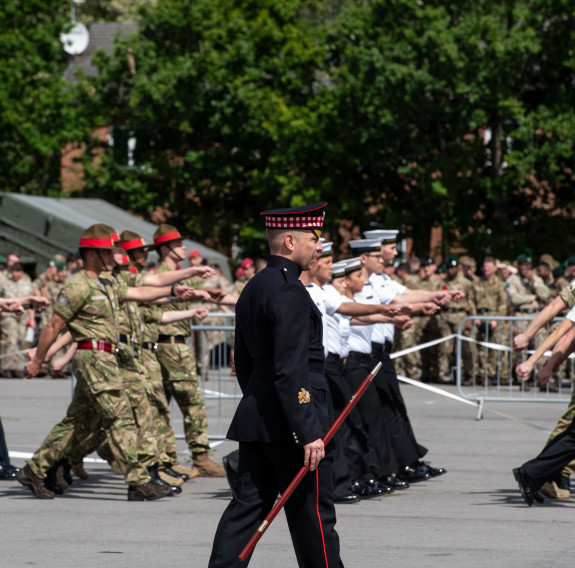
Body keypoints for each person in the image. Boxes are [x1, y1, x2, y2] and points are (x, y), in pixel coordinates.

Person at [209, 202, 343, 568]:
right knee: (312, 515)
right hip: (293, 425)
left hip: (260, 415)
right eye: (314, 239)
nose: (319, 247)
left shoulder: (255, 286)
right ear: (289, 240)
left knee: (245, 511)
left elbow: (246, 362)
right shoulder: (289, 291)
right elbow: (290, 369)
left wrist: (262, 402)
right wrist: (308, 429)